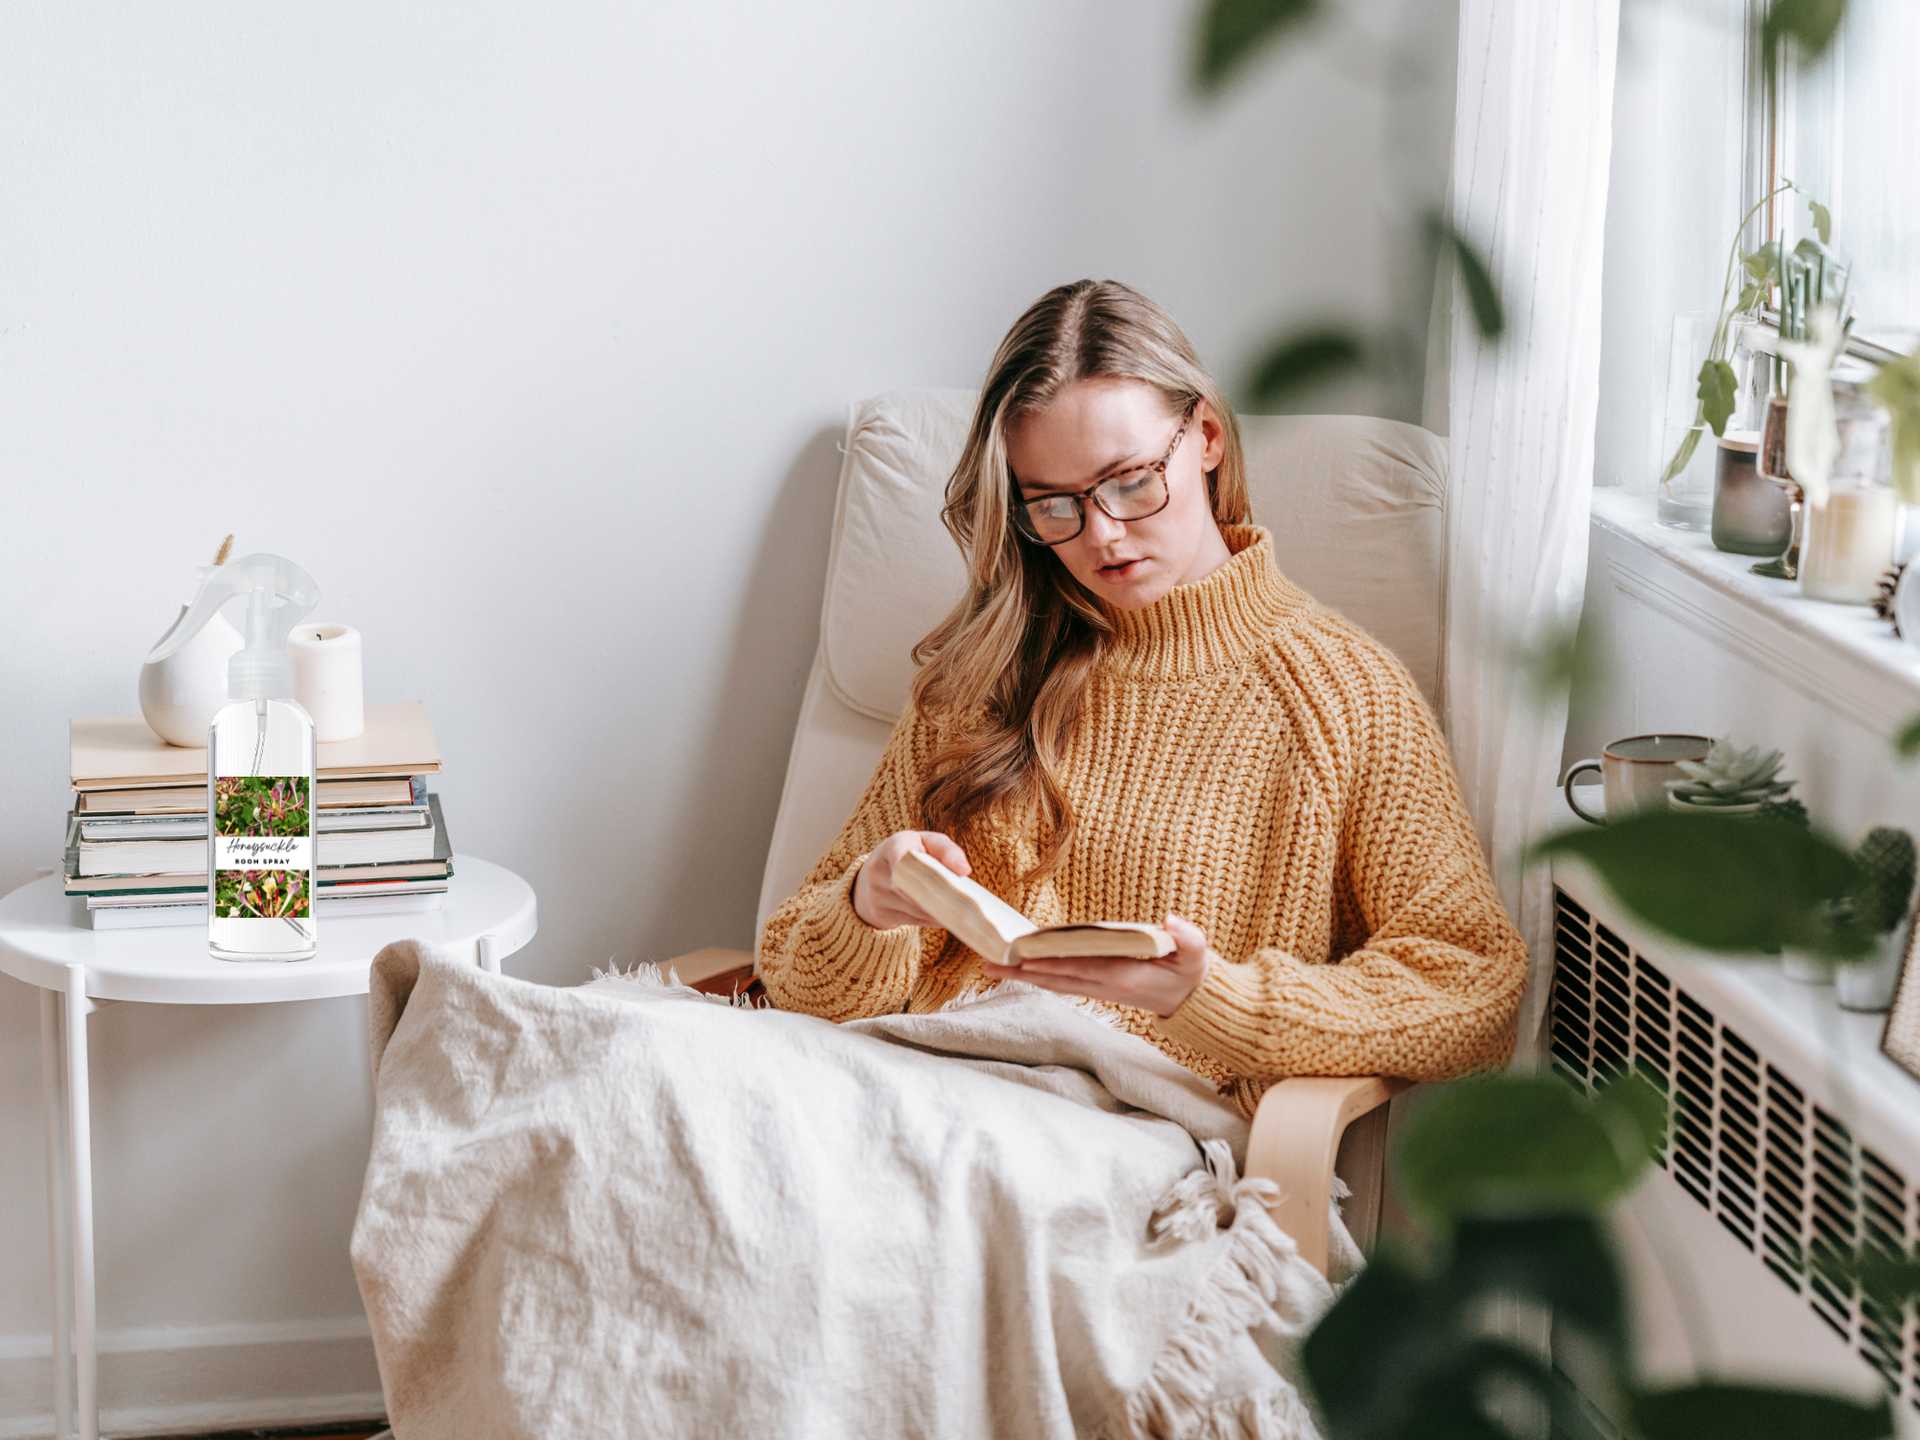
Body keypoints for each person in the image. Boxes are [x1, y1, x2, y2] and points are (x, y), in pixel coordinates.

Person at [759, 279, 1527, 1115]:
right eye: (1052, 505)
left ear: (1203, 436)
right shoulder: (983, 675)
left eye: (1128, 482)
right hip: (904, 1088)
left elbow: (1472, 988)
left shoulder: (1346, 696)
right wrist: (866, 909)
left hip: (1119, 1134)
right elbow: (793, 972)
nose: (1100, 536)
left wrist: (1211, 999)